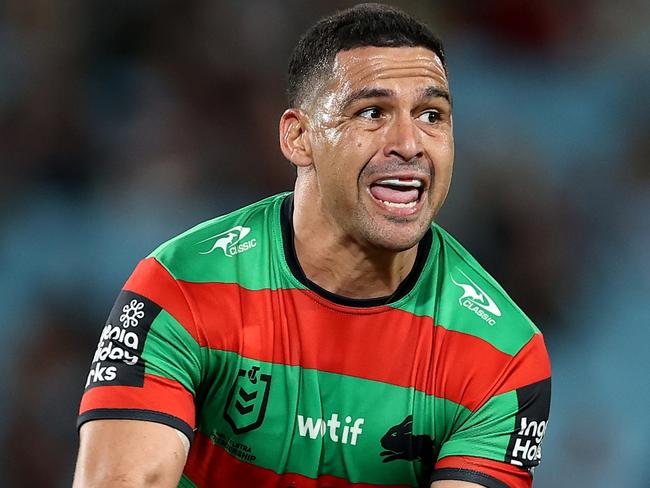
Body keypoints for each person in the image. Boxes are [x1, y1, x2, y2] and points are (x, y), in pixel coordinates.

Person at [73, 4, 551, 487]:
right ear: (298, 137)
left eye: (432, 115)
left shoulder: (504, 353)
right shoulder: (182, 287)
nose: (409, 143)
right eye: (372, 112)